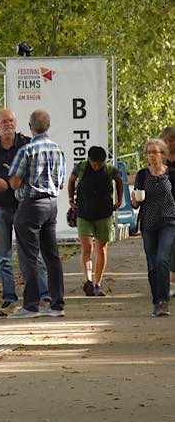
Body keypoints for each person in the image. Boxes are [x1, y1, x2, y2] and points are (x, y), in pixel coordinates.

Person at [0, 109, 50, 315]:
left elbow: (39, 170)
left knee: (32, 252)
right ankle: (9, 297)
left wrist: (20, 180)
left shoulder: (25, 143)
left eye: (11, 120)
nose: (8, 124)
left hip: (24, 206)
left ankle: (43, 294)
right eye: (4, 122)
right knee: (3, 255)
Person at [7, 109, 66, 318]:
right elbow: (60, 182)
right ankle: (57, 304)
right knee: (52, 256)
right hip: (51, 204)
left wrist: (18, 177)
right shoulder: (58, 150)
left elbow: (14, 182)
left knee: (28, 255)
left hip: (30, 205)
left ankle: (30, 305)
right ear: (48, 126)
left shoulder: (26, 150)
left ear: (30, 127)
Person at [67, 146, 123, 297]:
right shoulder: (81, 167)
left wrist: (119, 200)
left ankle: (98, 283)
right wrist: (71, 200)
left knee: (102, 248)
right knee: (87, 247)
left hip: (104, 213)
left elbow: (119, 181)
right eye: (94, 164)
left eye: (100, 164)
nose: (97, 167)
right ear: (89, 160)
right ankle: (88, 281)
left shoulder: (110, 169)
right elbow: (71, 181)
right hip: (84, 213)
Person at [132, 138, 175, 316]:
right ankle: (156, 300)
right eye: (149, 152)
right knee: (152, 264)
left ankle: (163, 300)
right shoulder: (142, 175)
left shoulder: (171, 174)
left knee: (162, 259)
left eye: (155, 152)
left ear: (163, 154)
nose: (152, 156)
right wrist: (135, 200)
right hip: (148, 223)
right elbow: (135, 204)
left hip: (169, 221)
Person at [159, 127, 175, 294]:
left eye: (172, 140)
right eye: (167, 140)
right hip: (163, 208)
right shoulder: (159, 160)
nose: (170, 144)